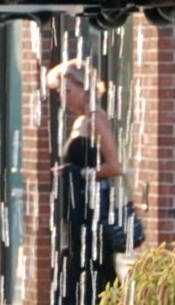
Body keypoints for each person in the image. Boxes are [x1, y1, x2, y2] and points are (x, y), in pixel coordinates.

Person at [46, 59, 124, 305]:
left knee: (91, 272)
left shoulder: (96, 118)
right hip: (76, 212)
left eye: (68, 91)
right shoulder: (81, 121)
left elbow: (115, 167)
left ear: (85, 87)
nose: (64, 97)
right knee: (74, 272)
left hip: (91, 214)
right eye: (61, 92)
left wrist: (79, 173)